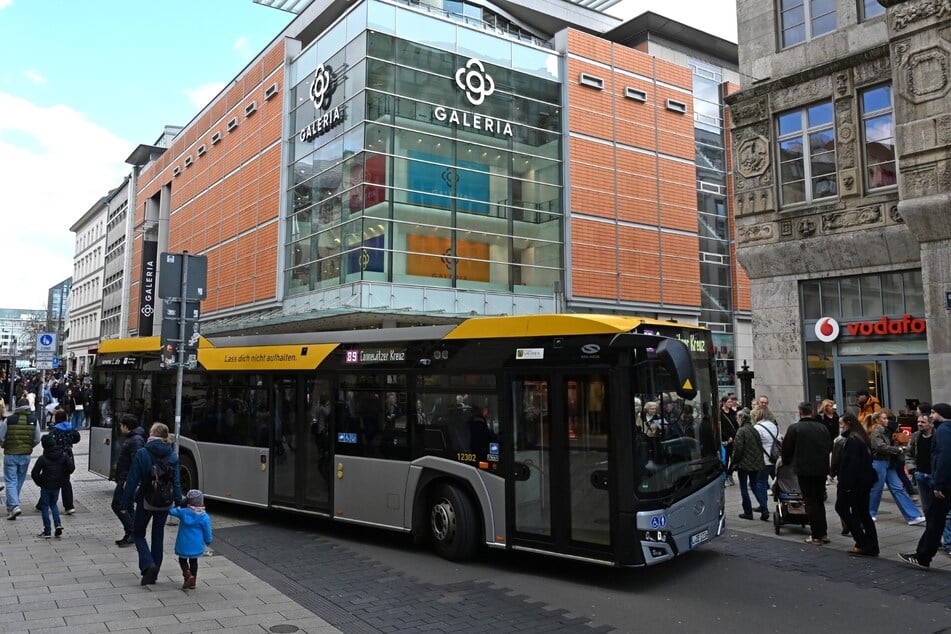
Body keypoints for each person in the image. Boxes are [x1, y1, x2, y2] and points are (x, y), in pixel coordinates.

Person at [120, 422, 183, 585]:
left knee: (138, 533)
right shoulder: (172, 455)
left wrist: (124, 503)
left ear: (153, 433)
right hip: (164, 501)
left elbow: (133, 479)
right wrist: (178, 501)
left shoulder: (143, 453)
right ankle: (153, 575)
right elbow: (176, 482)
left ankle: (148, 564)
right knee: (158, 534)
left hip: (146, 499)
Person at [900, 402, 951, 568]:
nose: (931, 415)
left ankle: (923, 556)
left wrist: (938, 484)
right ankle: (924, 554)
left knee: (935, 520)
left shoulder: (943, 431)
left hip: (945, 484)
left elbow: (943, 458)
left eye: (934, 413)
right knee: (937, 519)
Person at [781, 401, 833, 545]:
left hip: (804, 469)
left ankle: (816, 535)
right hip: (821, 469)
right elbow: (829, 446)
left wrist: (787, 463)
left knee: (810, 502)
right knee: (819, 500)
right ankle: (823, 532)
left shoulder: (795, 428)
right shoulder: (822, 428)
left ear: (800, 412)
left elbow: (786, 450)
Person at [865, 410, 925, 525]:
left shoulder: (885, 430)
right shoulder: (876, 431)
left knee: (897, 488)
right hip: (879, 462)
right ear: (877, 420)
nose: (886, 420)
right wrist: (897, 449)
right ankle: (870, 513)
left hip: (888, 462)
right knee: (877, 489)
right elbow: (880, 447)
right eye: (884, 418)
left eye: (886, 418)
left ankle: (913, 516)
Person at [833, 413, 878, 556]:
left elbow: (850, 465)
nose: (840, 427)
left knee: (842, 508)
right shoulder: (861, 438)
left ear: (848, 423)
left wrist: (845, 486)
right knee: (863, 513)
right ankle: (872, 545)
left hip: (854, 483)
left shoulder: (852, 440)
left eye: (841, 423)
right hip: (864, 481)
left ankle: (862, 542)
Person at [1, 397, 41, 519]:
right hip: (25, 456)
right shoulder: (34, 419)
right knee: (18, 481)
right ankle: (12, 507)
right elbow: (37, 438)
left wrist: (4, 445)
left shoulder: (9, 419)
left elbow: (1, 437)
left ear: (17, 406)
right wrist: (29, 446)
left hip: (10, 455)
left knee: (10, 481)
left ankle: (13, 506)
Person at [30, 434, 74, 538]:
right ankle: (58, 524)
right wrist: (63, 475)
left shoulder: (42, 458)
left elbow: (34, 473)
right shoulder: (63, 455)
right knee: (53, 504)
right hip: (57, 485)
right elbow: (71, 467)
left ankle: (47, 530)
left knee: (45, 507)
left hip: (46, 486)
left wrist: (40, 482)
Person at [112, 415, 146, 547]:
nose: (120, 428)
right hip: (125, 477)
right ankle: (131, 534)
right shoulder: (133, 438)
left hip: (127, 479)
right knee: (128, 506)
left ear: (126, 426)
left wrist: (129, 480)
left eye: (121, 425)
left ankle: (132, 532)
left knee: (118, 504)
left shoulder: (135, 440)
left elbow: (135, 462)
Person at [169, 489, 213, 590]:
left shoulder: (183, 512)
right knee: (194, 562)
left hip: (183, 543)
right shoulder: (204, 516)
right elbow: (207, 531)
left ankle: (188, 576)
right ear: (201, 502)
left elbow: (171, 511)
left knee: (182, 560)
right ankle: (193, 582)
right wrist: (208, 540)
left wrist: (178, 504)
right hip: (196, 545)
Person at [733, 408, 769, 521]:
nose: (737, 420)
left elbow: (738, 449)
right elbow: (759, 446)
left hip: (744, 464)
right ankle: (764, 509)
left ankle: (748, 512)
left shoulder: (741, 431)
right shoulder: (754, 429)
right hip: (756, 464)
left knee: (744, 488)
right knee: (754, 487)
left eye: (738, 418)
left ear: (742, 418)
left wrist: (734, 462)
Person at [49, 408, 80, 515]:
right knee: (65, 481)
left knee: (51, 480)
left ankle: (43, 503)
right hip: (68, 457)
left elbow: (50, 443)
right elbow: (77, 438)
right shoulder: (70, 428)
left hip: (56, 457)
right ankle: (69, 506)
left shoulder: (54, 430)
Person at [719, 395, 738, 484]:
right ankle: (725, 476)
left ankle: (730, 473)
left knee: (734, 459)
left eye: (731, 402)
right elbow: (720, 428)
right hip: (725, 440)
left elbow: (736, 425)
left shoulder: (733, 413)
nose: (731, 403)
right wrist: (727, 437)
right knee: (725, 459)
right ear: (724, 403)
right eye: (729, 402)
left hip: (734, 439)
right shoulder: (720, 413)